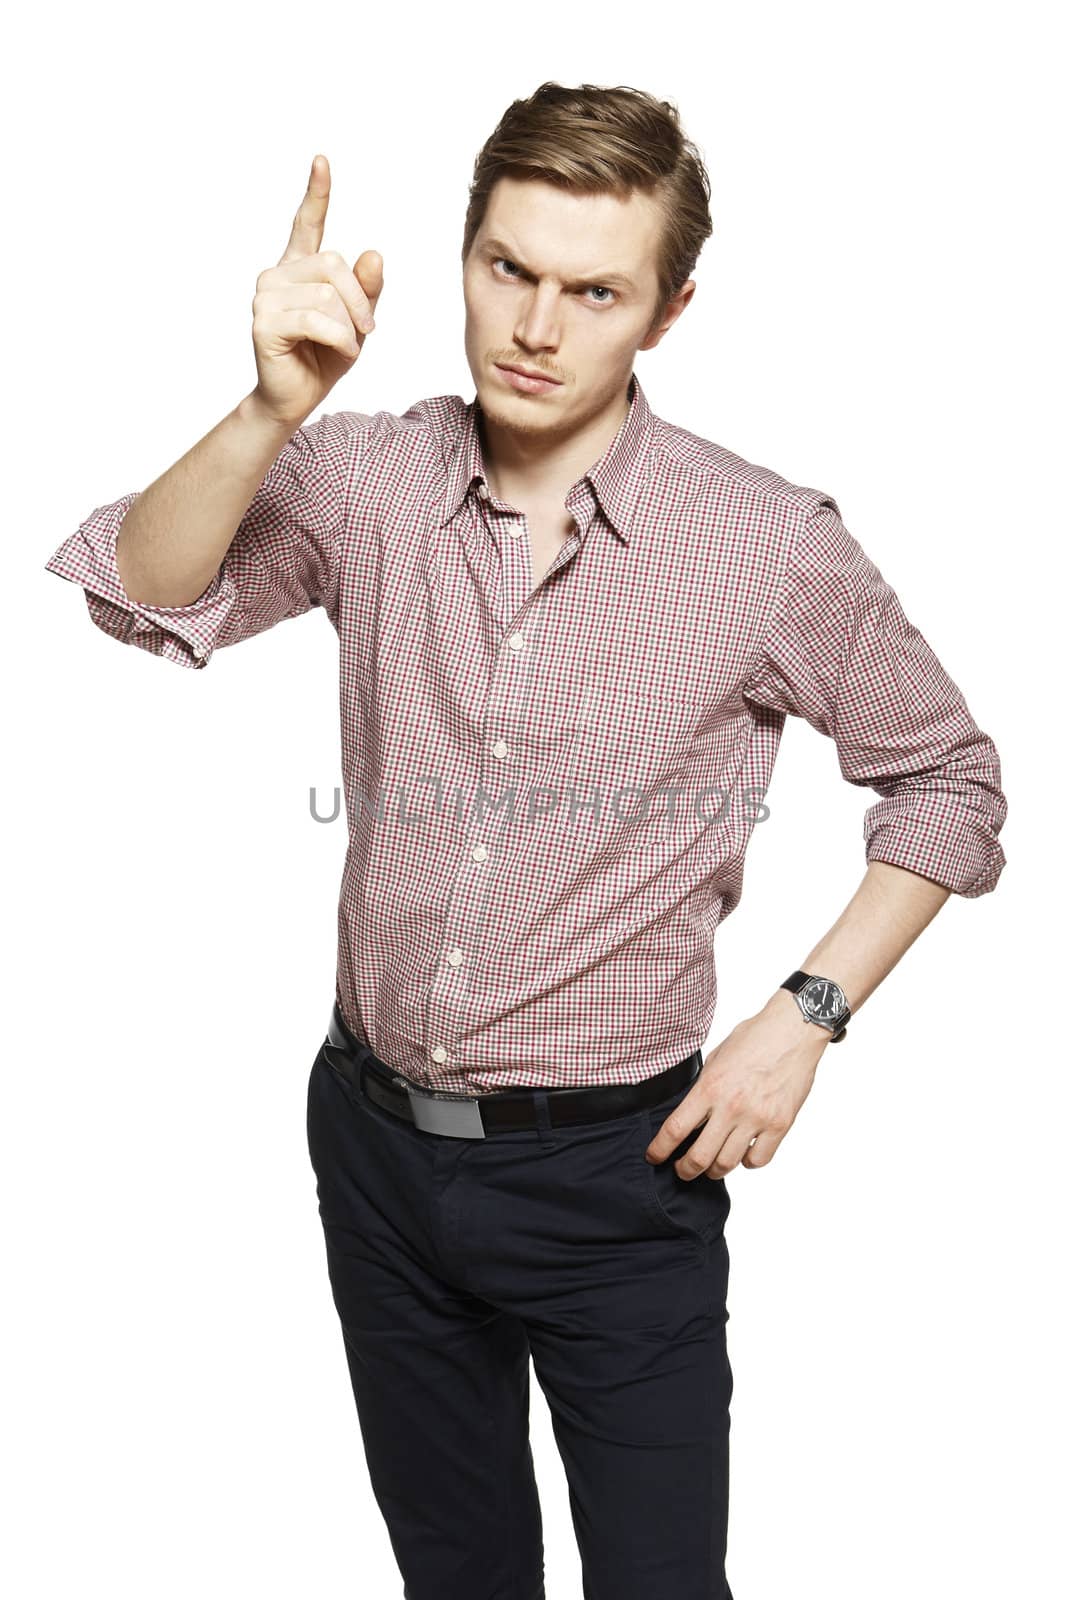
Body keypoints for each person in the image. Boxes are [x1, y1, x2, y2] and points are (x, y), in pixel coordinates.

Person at [43, 81, 1008, 1600]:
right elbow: (146, 593)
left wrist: (804, 1017)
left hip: (617, 1178)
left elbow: (948, 779)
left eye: (593, 291)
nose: (536, 328)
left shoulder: (764, 546)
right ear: (465, 255)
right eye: (507, 270)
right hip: (372, 1144)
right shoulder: (367, 479)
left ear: (668, 311)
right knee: (458, 1577)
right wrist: (267, 412)